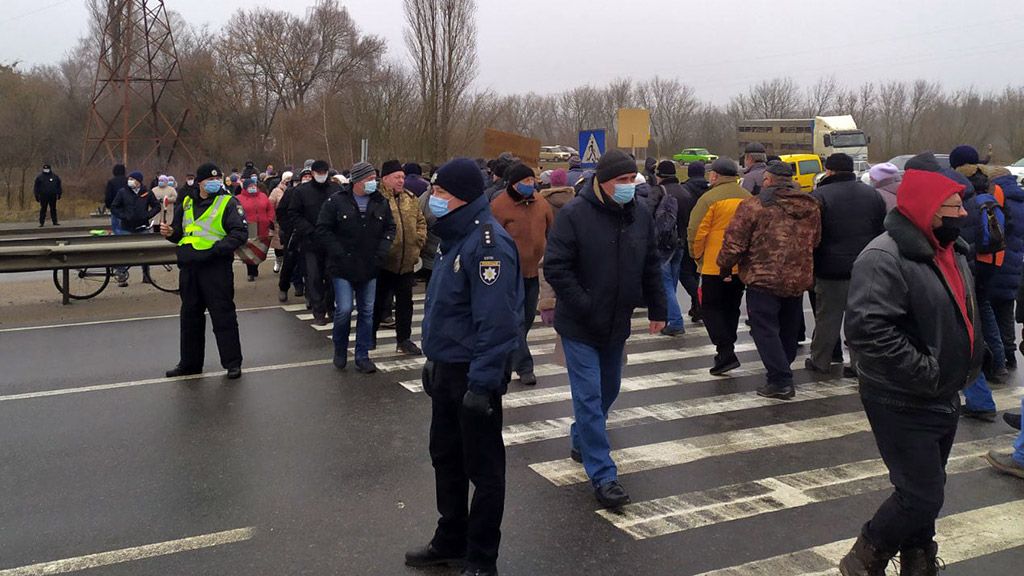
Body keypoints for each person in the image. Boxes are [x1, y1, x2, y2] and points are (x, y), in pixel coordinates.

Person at [841, 152, 982, 575]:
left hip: (943, 391)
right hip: (901, 396)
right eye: (952, 206)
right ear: (925, 208)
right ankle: (865, 557)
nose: (962, 212)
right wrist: (928, 371)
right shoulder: (883, 257)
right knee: (921, 494)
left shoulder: (951, 249)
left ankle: (919, 559)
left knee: (925, 487)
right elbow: (869, 332)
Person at [406, 158, 522, 576]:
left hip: (475, 374)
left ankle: (481, 557)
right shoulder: (454, 238)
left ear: (462, 197)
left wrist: (483, 383)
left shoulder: (487, 243)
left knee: (484, 470)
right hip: (448, 369)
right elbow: (445, 310)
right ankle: (450, 538)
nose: (432, 200)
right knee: (446, 458)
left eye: (439, 193)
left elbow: (496, 322)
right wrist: (433, 360)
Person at [543, 149, 667, 508]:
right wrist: (585, 304)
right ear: (602, 181)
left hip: (617, 323)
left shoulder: (639, 215)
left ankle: (581, 436)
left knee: (609, 388)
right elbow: (556, 267)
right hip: (579, 324)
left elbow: (650, 265)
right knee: (589, 396)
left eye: (632, 180)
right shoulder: (574, 215)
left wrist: (658, 307)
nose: (628, 186)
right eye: (621, 181)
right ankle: (603, 475)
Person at [718, 161, 821, 399]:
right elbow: (815, 240)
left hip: (763, 277)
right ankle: (782, 367)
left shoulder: (754, 206)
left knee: (764, 329)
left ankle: (780, 379)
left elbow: (735, 242)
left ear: (769, 180)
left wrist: (724, 266)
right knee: (788, 328)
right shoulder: (811, 206)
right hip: (797, 277)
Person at [159, 163, 248, 379]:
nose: (214, 183)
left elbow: (239, 233)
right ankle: (190, 363)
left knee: (223, 316)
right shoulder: (187, 203)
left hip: (215, 268)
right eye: (209, 180)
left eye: (216, 179)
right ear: (199, 182)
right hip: (190, 269)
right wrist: (170, 233)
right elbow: (181, 233)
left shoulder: (228, 202)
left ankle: (232, 363)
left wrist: (215, 250)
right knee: (190, 318)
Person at [805, 153, 886, 377]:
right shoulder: (872, 195)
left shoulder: (818, 196)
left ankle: (820, 360)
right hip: (866, 267)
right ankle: (858, 365)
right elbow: (881, 230)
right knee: (860, 318)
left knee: (827, 318)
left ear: (829, 171)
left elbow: (811, 236)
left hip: (830, 268)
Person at [317, 162, 395, 374]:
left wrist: (382, 250)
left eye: (374, 179)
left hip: (369, 266)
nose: (374, 183)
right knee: (344, 309)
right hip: (342, 266)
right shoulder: (336, 202)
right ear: (358, 181)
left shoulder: (380, 202)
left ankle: (362, 355)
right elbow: (323, 229)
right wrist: (338, 252)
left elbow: (390, 227)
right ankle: (340, 348)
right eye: (370, 179)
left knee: (367, 312)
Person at [491, 162, 554, 386]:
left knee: (526, 320)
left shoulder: (541, 202)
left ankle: (508, 357)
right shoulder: (499, 206)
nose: (531, 184)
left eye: (532, 180)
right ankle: (525, 366)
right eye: (525, 181)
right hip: (511, 273)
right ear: (514, 184)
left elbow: (551, 230)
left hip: (534, 272)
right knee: (516, 321)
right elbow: (491, 238)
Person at [688, 157, 751, 375]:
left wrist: (696, 257)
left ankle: (725, 350)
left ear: (714, 175)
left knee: (710, 308)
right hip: (739, 264)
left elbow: (696, 232)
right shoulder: (748, 197)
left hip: (714, 265)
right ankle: (727, 348)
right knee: (731, 307)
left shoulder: (709, 199)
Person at [374, 160, 427, 356]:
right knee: (378, 301)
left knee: (406, 304)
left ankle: (403, 340)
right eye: (397, 177)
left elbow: (420, 221)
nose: (401, 180)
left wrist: (418, 241)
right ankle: (369, 336)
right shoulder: (376, 199)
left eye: (403, 177)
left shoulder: (410, 198)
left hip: (407, 261)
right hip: (384, 262)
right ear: (385, 178)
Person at [649, 160, 696, 337]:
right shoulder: (686, 191)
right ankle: (670, 316)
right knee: (672, 283)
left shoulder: (658, 191)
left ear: (659, 175)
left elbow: (647, 214)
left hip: (663, 245)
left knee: (664, 284)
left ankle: (675, 321)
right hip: (680, 243)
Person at [289, 160, 340, 324]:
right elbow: (294, 214)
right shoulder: (301, 192)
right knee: (314, 277)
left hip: (332, 241)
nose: (321, 175)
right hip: (310, 242)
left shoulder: (336, 190)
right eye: (318, 172)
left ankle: (331, 308)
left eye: (324, 172)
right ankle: (318, 311)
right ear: (312, 173)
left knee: (332, 277)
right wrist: (309, 230)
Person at [111, 170, 161, 286]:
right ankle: (122, 276)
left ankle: (146, 275)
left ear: (139, 181)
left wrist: (147, 215)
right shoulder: (122, 192)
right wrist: (123, 216)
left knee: (145, 253)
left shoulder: (147, 192)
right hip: (126, 228)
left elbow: (156, 206)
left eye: (133, 179)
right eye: (129, 179)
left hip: (142, 227)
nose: (130, 181)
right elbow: (114, 207)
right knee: (124, 253)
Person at [679, 161, 709, 322]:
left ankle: (698, 300)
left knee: (684, 273)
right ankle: (696, 307)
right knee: (697, 272)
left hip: (689, 234)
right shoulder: (710, 189)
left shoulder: (685, 190)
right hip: (707, 236)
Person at [236, 180, 275, 281]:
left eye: (254, 185)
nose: (252, 187)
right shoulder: (238, 199)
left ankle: (256, 266)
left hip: (263, 225)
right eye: (250, 186)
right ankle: (251, 272)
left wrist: (270, 220)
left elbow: (270, 209)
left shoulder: (262, 196)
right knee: (250, 248)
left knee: (261, 249)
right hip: (250, 225)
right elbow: (237, 213)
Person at [268, 171, 292, 274]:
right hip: (278, 221)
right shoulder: (276, 191)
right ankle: (278, 261)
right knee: (278, 246)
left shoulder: (295, 190)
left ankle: (287, 267)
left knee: (289, 247)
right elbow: (270, 205)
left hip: (291, 221)